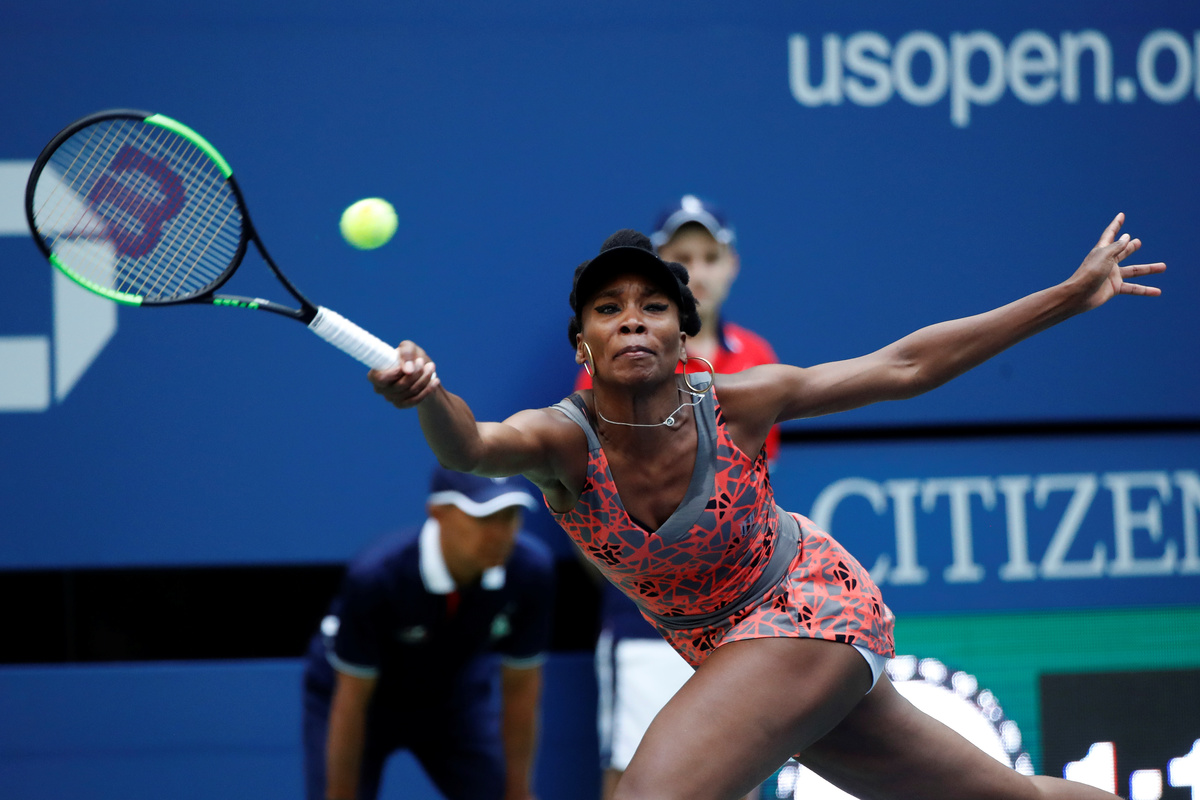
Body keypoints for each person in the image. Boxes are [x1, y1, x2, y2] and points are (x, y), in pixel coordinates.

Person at [368, 212, 1163, 800]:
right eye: (608, 309)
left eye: (653, 306)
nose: (632, 317)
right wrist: (427, 395)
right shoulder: (560, 441)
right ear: (584, 343)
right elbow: (468, 447)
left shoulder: (739, 403)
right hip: (719, 644)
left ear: (683, 336)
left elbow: (907, 366)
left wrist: (1068, 296)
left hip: (807, 611)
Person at [574, 195, 780, 800]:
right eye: (683, 257)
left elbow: (756, 490)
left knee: (737, 779)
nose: (699, 270)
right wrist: (642, 583)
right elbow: (589, 496)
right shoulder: (617, 361)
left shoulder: (758, 359)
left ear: (732, 264)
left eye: (711, 256)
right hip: (647, 616)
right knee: (633, 780)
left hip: (743, 614)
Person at [302, 467, 556, 800]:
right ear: (438, 512)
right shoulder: (377, 577)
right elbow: (351, 698)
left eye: (510, 516)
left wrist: (519, 791)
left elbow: (521, 687)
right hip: (357, 702)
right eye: (483, 518)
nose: (500, 534)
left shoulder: (530, 570)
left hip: (454, 701)